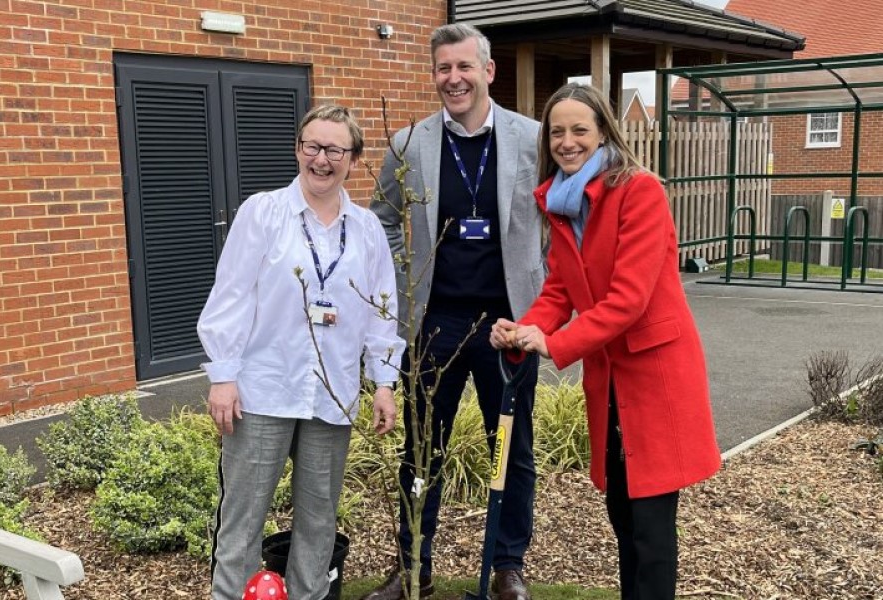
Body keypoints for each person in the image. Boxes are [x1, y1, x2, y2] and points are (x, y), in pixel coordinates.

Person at [491, 83, 722, 600]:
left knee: (651, 528)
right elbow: (558, 291)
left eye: (579, 130)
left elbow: (630, 298)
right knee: (622, 515)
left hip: (656, 378)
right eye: (557, 132)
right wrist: (523, 329)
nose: (567, 141)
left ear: (603, 133)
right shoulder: (562, 200)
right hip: (611, 378)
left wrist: (555, 344)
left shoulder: (639, 191)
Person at [197, 104, 405, 600]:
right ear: (298, 149)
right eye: (312, 146)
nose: (321, 159)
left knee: (318, 524)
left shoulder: (367, 229)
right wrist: (222, 375)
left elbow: (381, 309)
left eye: (335, 149)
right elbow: (231, 295)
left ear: (352, 158)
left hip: (330, 396)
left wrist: (383, 381)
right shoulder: (262, 212)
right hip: (263, 391)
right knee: (241, 522)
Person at [364, 23, 542, 600]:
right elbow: (383, 219)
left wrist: (544, 281)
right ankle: (414, 562)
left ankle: (507, 565)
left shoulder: (533, 139)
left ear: (489, 71)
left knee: (508, 447)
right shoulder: (408, 142)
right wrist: (403, 278)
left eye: (464, 66)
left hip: (507, 325)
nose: (453, 78)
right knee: (422, 449)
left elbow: (560, 216)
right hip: (434, 323)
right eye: (443, 68)